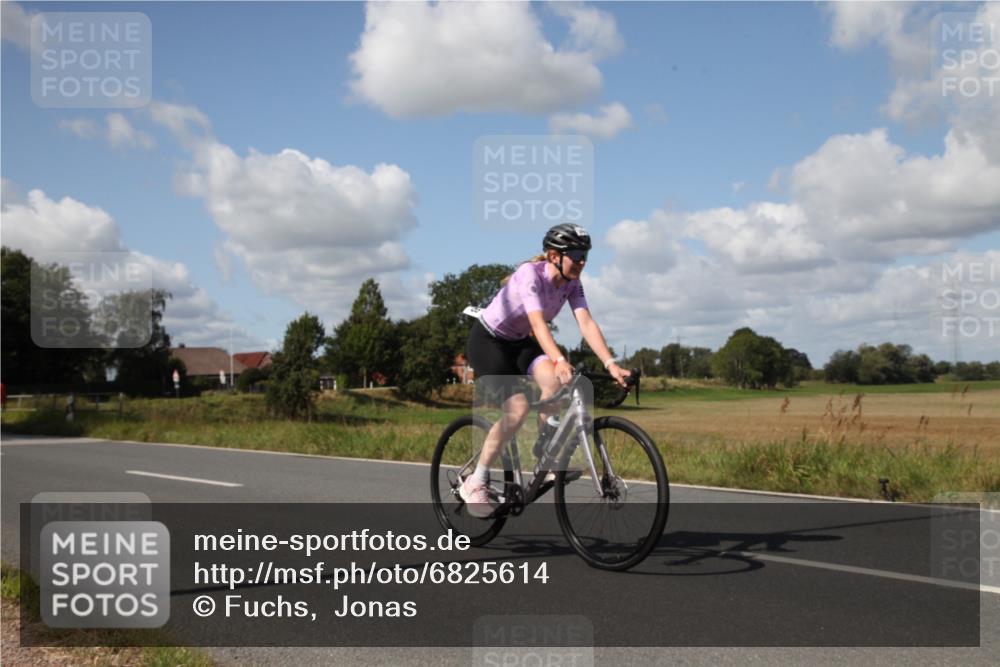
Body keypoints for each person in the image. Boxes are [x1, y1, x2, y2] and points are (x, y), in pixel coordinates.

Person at [461, 224, 630, 518]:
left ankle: (545, 458)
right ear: (554, 256)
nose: (582, 262)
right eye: (575, 255)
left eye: (585, 255)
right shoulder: (530, 275)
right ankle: (476, 480)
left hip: (518, 342)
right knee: (517, 410)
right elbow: (538, 324)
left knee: (553, 383)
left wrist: (611, 364)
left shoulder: (572, 284)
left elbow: (586, 322)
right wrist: (559, 358)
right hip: (488, 341)